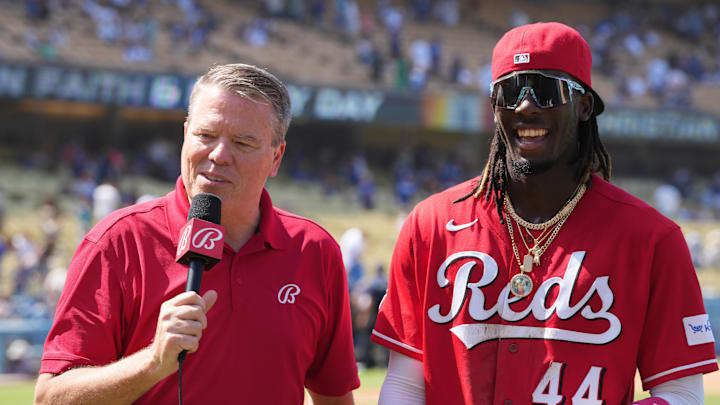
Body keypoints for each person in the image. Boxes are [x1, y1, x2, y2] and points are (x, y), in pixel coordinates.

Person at [371, 22, 718, 404]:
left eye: (547, 90)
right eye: (510, 91)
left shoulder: (652, 239)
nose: (525, 105)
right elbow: (405, 384)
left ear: (585, 106)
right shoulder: (431, 225)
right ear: (494, 106)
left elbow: (682, 394)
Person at [34, 63, 359, 405]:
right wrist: (151, 363)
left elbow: (333, 395)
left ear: (276, 157)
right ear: (185, 135)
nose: (218, 155)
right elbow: (51, 399)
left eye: (243, 142)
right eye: (205, 135)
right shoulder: (117, 242)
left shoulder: (315, 250)